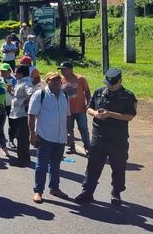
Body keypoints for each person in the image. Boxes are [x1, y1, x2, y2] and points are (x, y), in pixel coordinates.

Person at [75, 68, 137, 206]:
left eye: (112, 84)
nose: (109, 86)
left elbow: (130, 116)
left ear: (120, 81)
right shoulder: (99, 92)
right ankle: (87, 192)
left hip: (118, 138)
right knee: (93, 166)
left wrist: (110, 114)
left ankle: (116, 193)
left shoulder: (127, 96)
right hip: (99, 136)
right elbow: (88, 108)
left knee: (119, 167)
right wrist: (96, 114)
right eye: (108, 83)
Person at [29, 72, 71, 204]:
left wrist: (70, 133)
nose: (57, 82)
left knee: (55, 165)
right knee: (41, 165)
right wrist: (32, 133)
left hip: (60, 137)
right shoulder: (40, 95)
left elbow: (68, 116)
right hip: (44, 136)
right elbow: (31, 115)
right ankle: (38, 191)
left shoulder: (64, 95)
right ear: (47, 81)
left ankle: (54, 188)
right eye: (53, 80)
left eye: (59, 79)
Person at [58, 61, 91, 155]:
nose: (62, 72)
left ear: (70, 69)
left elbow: (87, 92)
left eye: (64, 69)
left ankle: (87, 146)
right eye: (61, 70)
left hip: (80, 109)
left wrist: (88, 103)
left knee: (83, 128)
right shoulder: (60, 80)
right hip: (67, 110)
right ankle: (71, 145)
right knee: (69, 129)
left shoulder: (80, 79)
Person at [8, 66, 34, 167]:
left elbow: (31, 93)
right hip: (17, 114)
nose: (14, 74)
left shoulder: (26, 83)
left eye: (16, 72)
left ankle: (23, 160)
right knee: (19, 137)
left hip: (22, 114)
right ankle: (22, 159)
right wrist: (10, 91)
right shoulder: (20, 82)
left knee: (22, 138)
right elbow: (17, 96)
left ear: (21, 74)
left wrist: (27, 102)